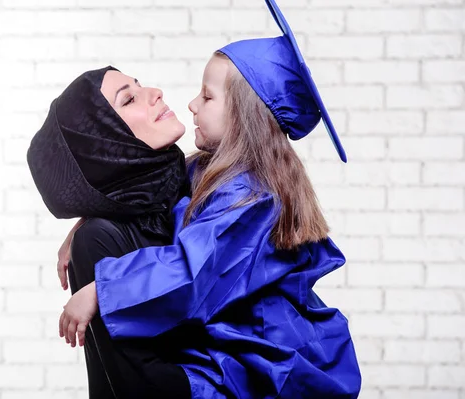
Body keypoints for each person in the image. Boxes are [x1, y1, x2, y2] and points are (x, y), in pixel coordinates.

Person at [56, 0, 361, 398]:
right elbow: (149, 193)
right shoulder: (206, 169)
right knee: (95, 239)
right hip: (221, 343)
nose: (191, 104)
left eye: (208, 96)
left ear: (243, 115)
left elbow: (192, 274)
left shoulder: (253, 197)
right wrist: (81, 223)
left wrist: (100, 290)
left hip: (257, 365)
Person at [27, 65, 195, 398]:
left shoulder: (195, 185)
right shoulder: (99, 239)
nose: (155, 92)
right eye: (129, 99)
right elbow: (140, 386)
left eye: (140, 84)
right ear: (106, 142)